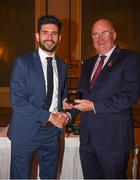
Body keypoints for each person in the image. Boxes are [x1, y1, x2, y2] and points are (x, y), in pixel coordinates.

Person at [63, 18, 140, 179]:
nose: (99, 38)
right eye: (95, 35)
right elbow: (81, 94)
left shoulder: (130, 58)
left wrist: (94, 106)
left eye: (104, 33)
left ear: (114, 35)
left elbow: (130, 96)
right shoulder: (89, 63)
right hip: (88, 139)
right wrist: (69, 109)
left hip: (114, 140)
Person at [8, 15, 69, 179]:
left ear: (60, 38)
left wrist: (64, 105)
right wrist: (50, 116)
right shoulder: (23, 62)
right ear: (37, 36)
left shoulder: (62, 65)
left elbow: (62, 93)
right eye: (45, 32)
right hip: (25, 132)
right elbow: (17, 101)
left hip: (51, 134)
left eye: (54, 33)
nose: (50, 37)